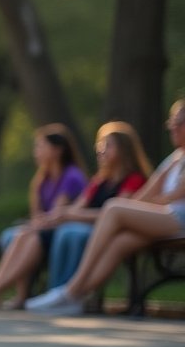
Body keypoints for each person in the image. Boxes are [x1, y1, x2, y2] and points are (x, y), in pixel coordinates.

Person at [26, 111, 183, 315]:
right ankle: (77, 297)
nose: (172, 127)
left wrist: (135, 206)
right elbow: (146, 195)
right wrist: (136, 207)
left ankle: (71, 290)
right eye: (171, 122)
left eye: (178, 122)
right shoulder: (175, 158)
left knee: (113, 207)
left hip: (178, 218)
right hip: (164, 218)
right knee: (119, 242)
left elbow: (174, 196)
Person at [0, 124, 88, 310]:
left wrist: (37, 225)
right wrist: (35, 224)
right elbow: (36, 215)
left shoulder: (71, 176)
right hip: (44, 230)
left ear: (57, 150)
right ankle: (14, 294)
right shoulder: (41, 180)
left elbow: (58, 215)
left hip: (63, 229)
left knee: (25, 234)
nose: (36, 152)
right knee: (19, 234)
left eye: (40, 146)